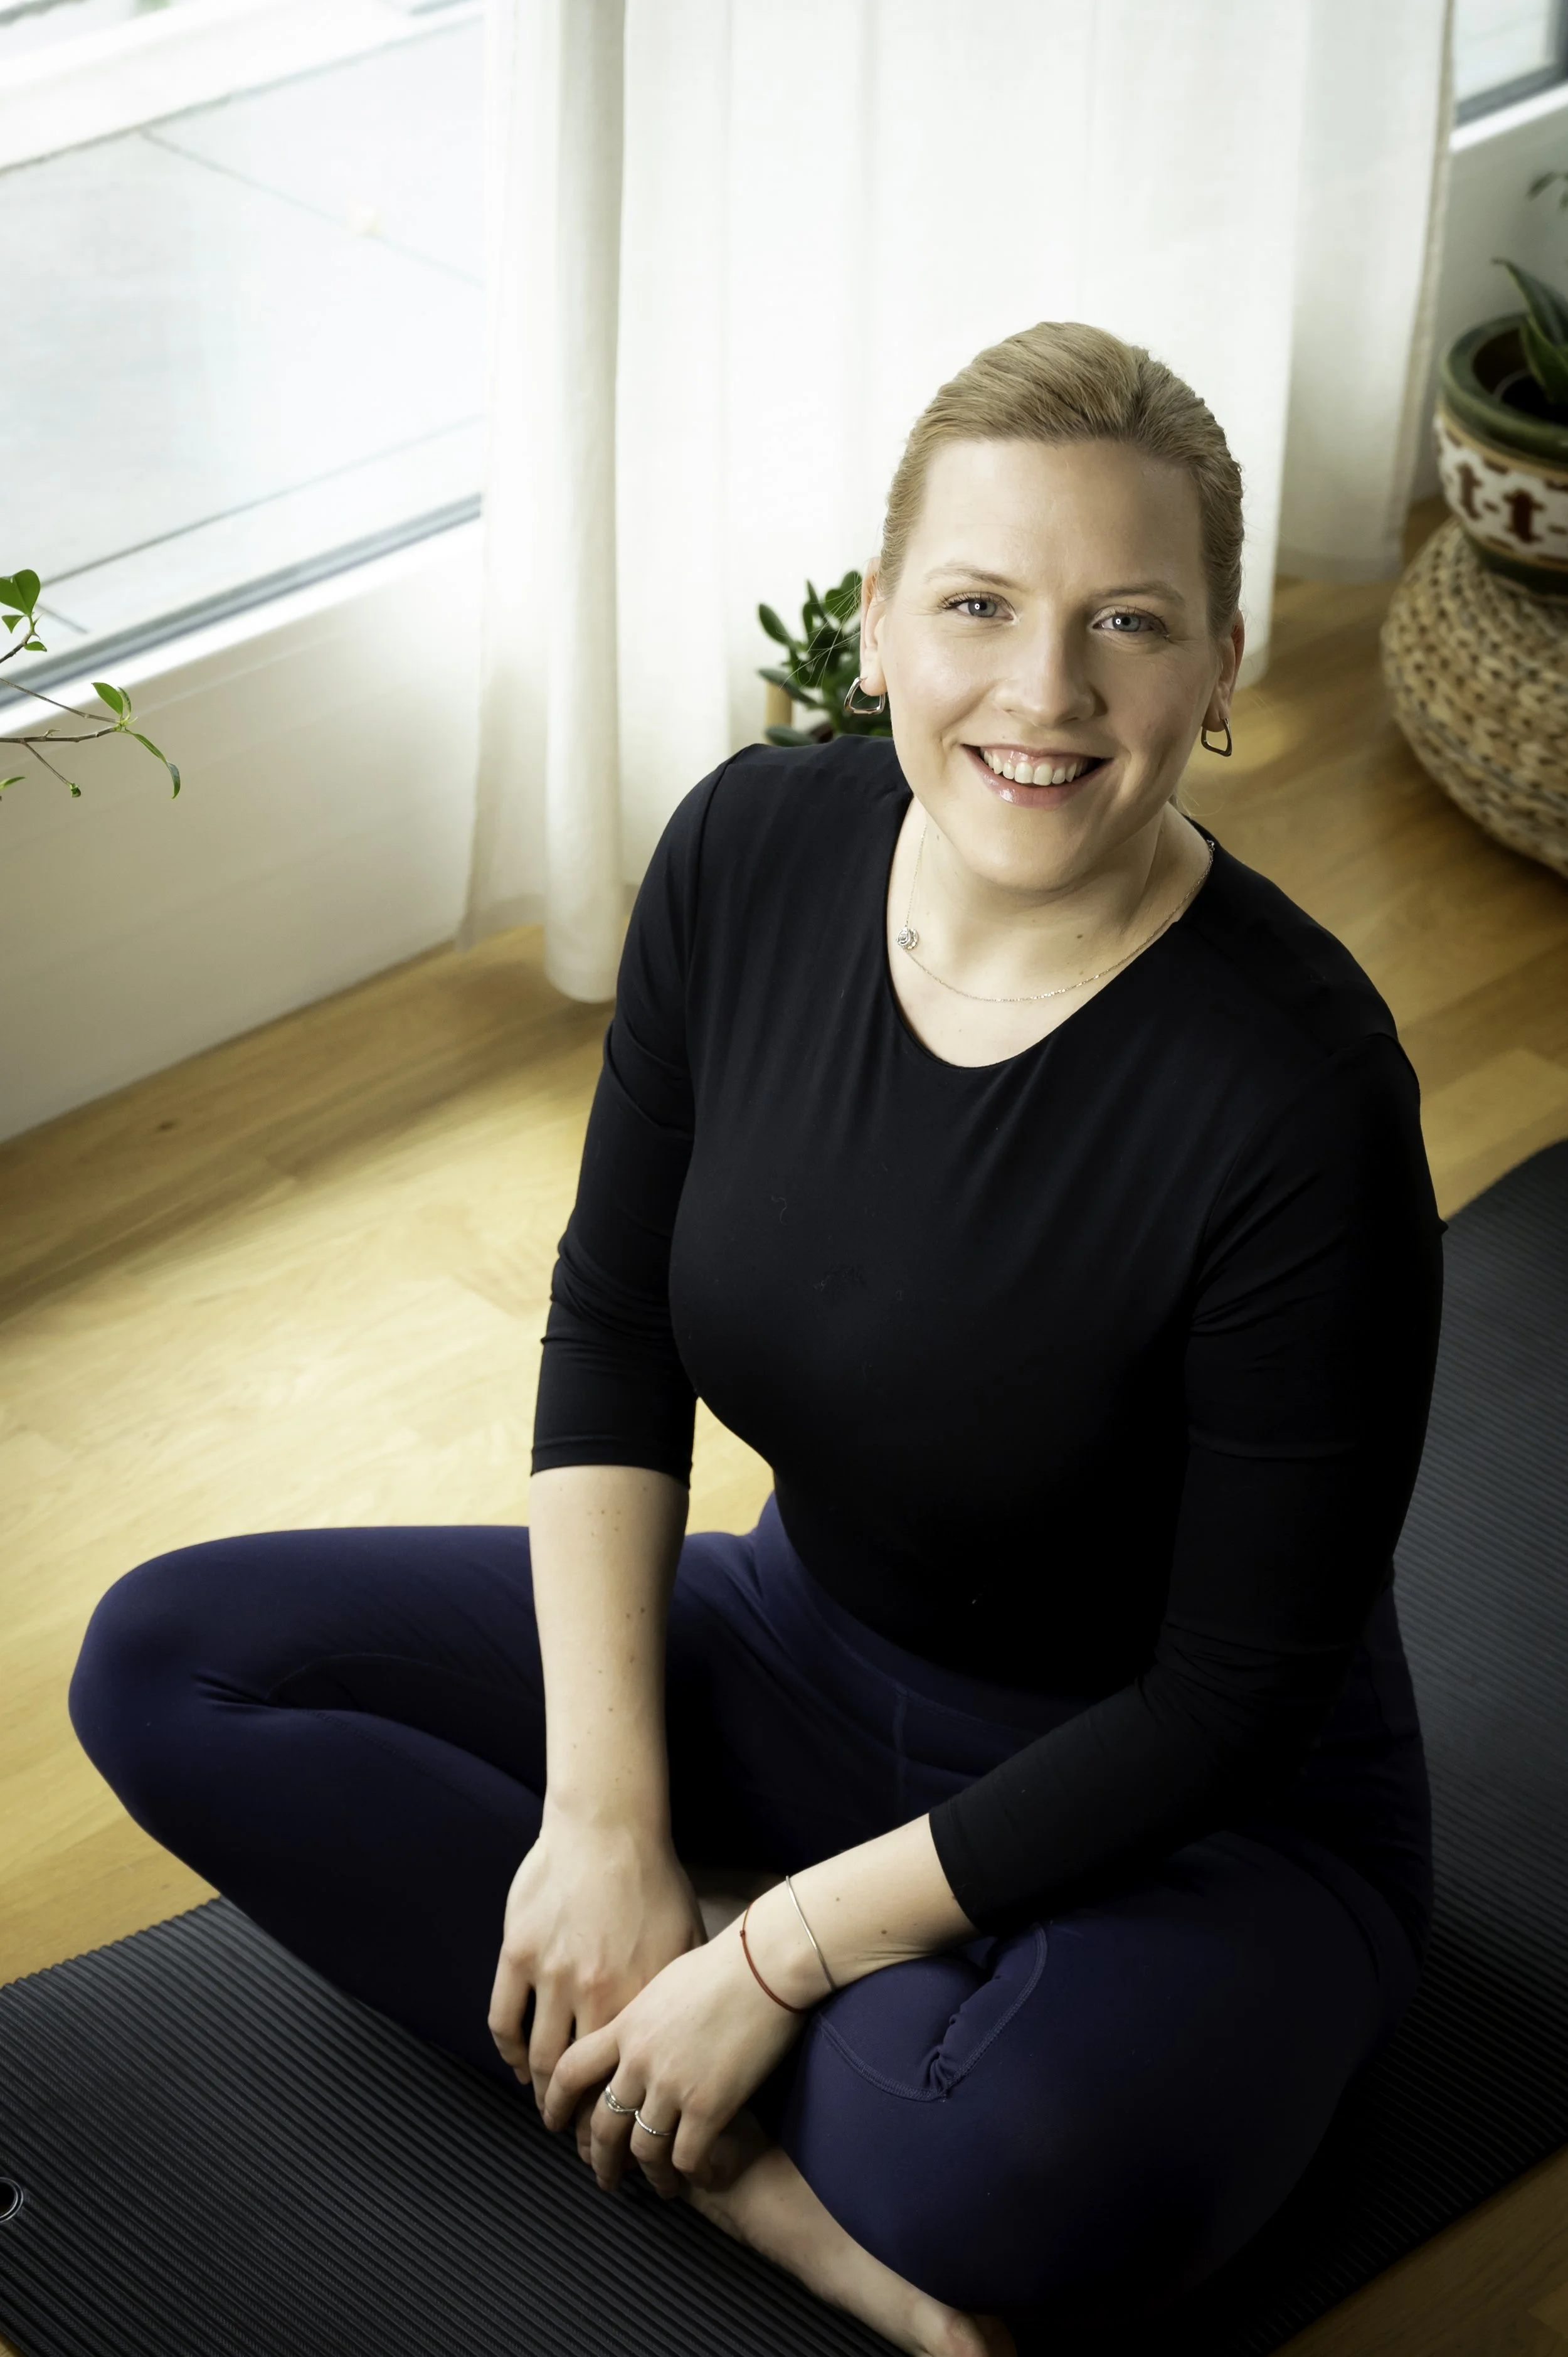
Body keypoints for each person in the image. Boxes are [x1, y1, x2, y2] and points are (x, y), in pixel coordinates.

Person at [68, 321, 1443, 2357]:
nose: (1041, 693)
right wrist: (608, 1816)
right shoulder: (746, 851)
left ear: (1223, 659)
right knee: (171, 1663)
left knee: (999, 2163)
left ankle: (755, 2040)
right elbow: (614, 1327)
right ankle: (778, 2195)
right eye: (975, 604)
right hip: (795, 1659)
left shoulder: (1300, 1101)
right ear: (877, 617)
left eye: (1127, 623)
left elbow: (1229, 1703)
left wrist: (772, 1952)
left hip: (1179, 1814)